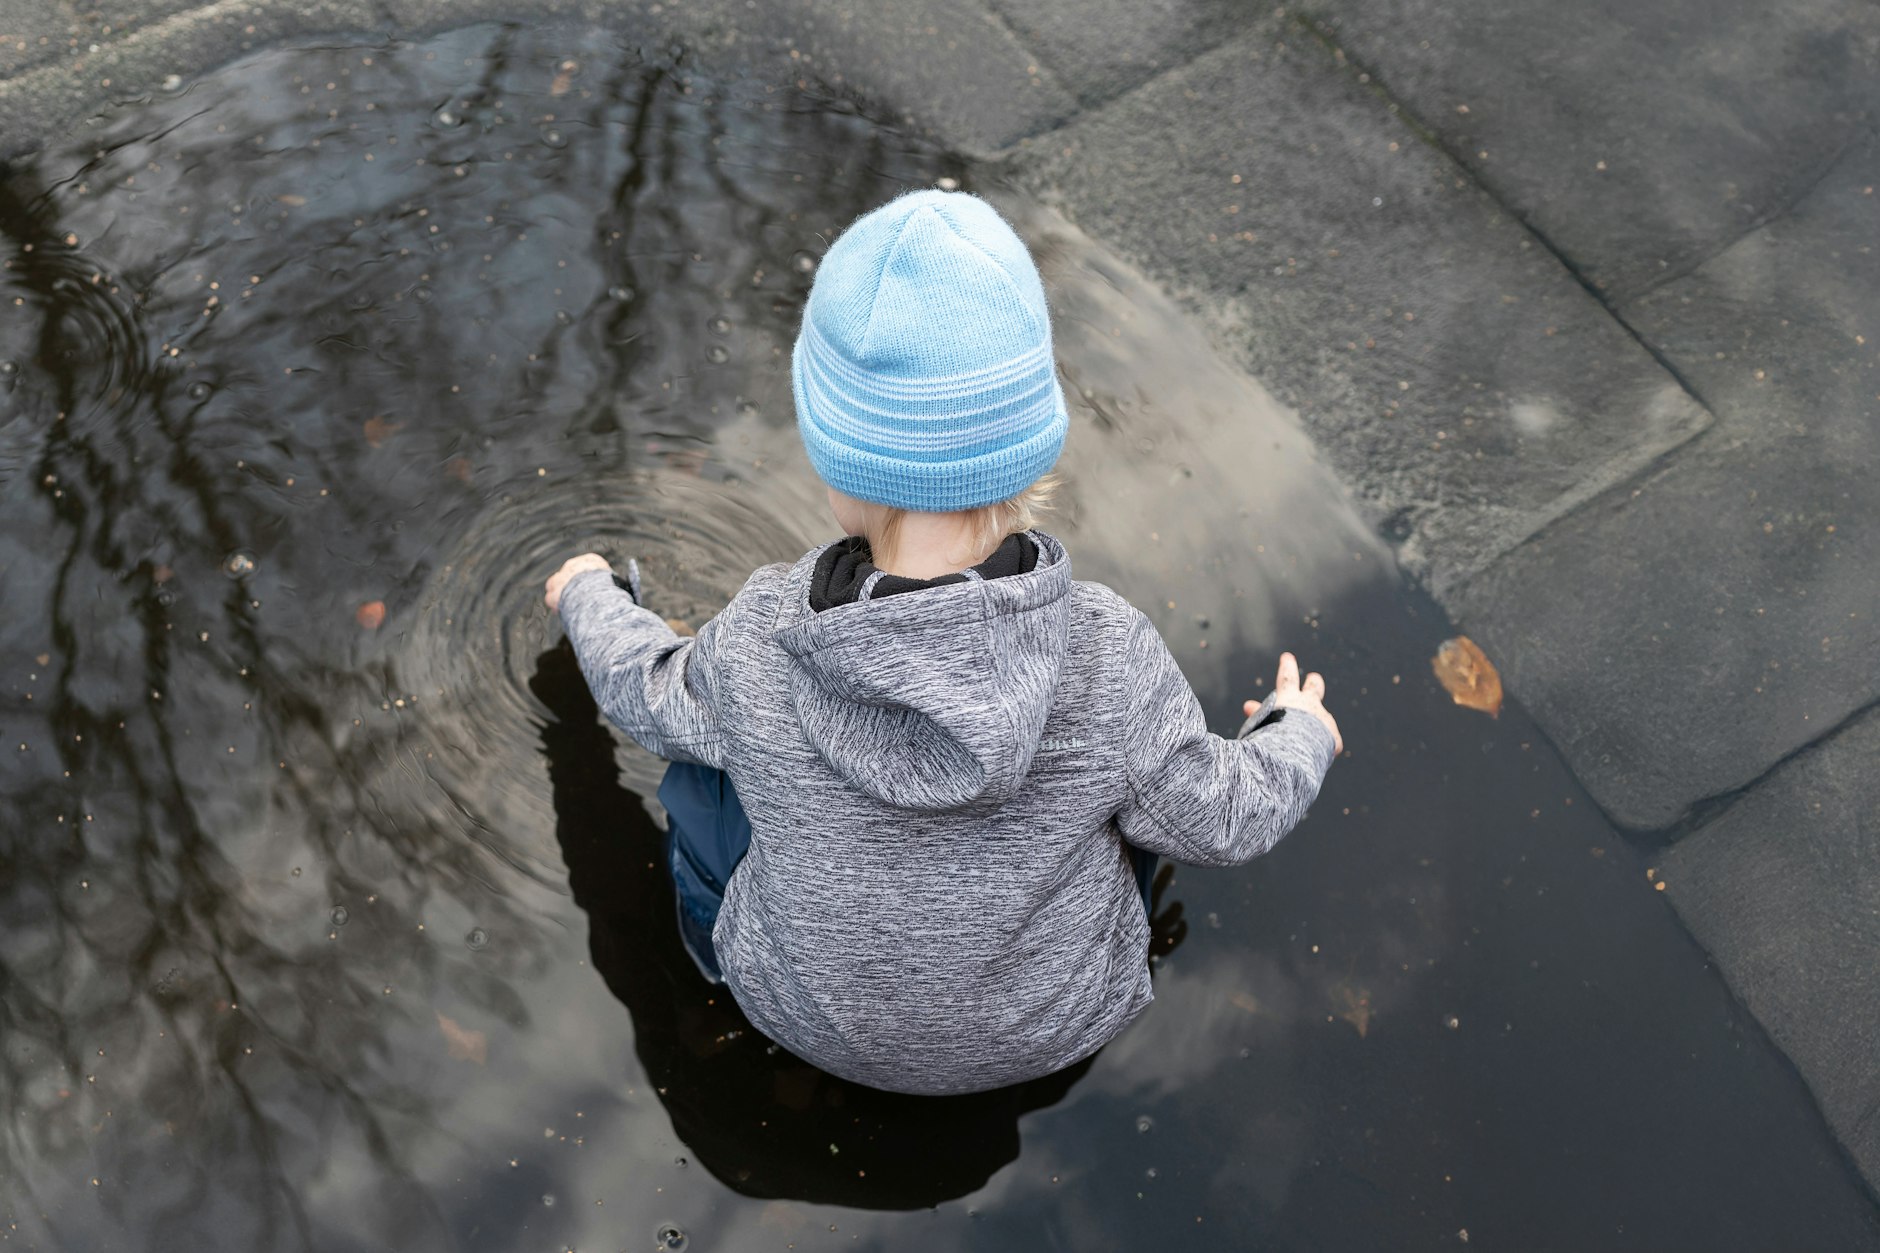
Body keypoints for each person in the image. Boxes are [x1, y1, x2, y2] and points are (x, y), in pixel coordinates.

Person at [542, 187, 1341, 1098]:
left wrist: (589, 595)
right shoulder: (1106, 654)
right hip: (1053, 1026)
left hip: (796, 1010)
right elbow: (1227, 816)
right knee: (1148, 786)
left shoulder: (768, 636)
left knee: (703, 761)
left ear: (836, 459)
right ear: (1028, 446)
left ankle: (707, 949)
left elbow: (644, 689)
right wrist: (1299, 729)